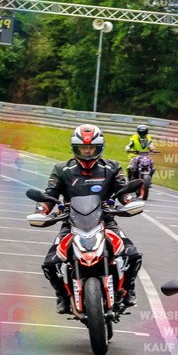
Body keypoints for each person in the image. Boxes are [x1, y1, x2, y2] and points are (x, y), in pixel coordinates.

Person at [39, 124, 143, 314]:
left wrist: (129, 201)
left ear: (100, 147)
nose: (87, 152)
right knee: (50, 263)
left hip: (106, 223)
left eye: (91, 148)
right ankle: (62, 295)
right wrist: (42, 210)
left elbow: (122, 190)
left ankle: (128, 289)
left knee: (133, 254)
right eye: (82, 148)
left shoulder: (112, 167)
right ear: (74, 148)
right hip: (71, 225)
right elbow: (50, 194)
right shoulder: (62, 169)